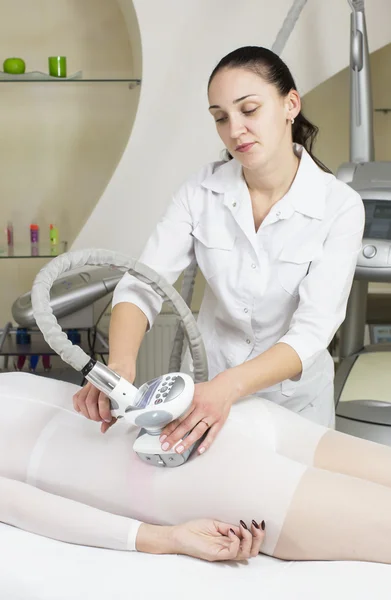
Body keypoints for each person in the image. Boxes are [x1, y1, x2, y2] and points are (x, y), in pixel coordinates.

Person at [74, 46, 365, 455]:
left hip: (293, 405)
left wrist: (226, 388)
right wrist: (120, 366)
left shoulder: (339, 206)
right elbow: (143, 284)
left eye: (249, 109)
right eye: (220, 117)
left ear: (290, 104)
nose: (235, 130)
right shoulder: (201, 191)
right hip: (203, 394)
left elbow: (312, 332)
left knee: (283, 512)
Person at [2, 370, 391, 565]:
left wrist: (164, 537)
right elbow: (25, 508)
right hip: (206, 456)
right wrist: (166, 538)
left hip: (220, 432)